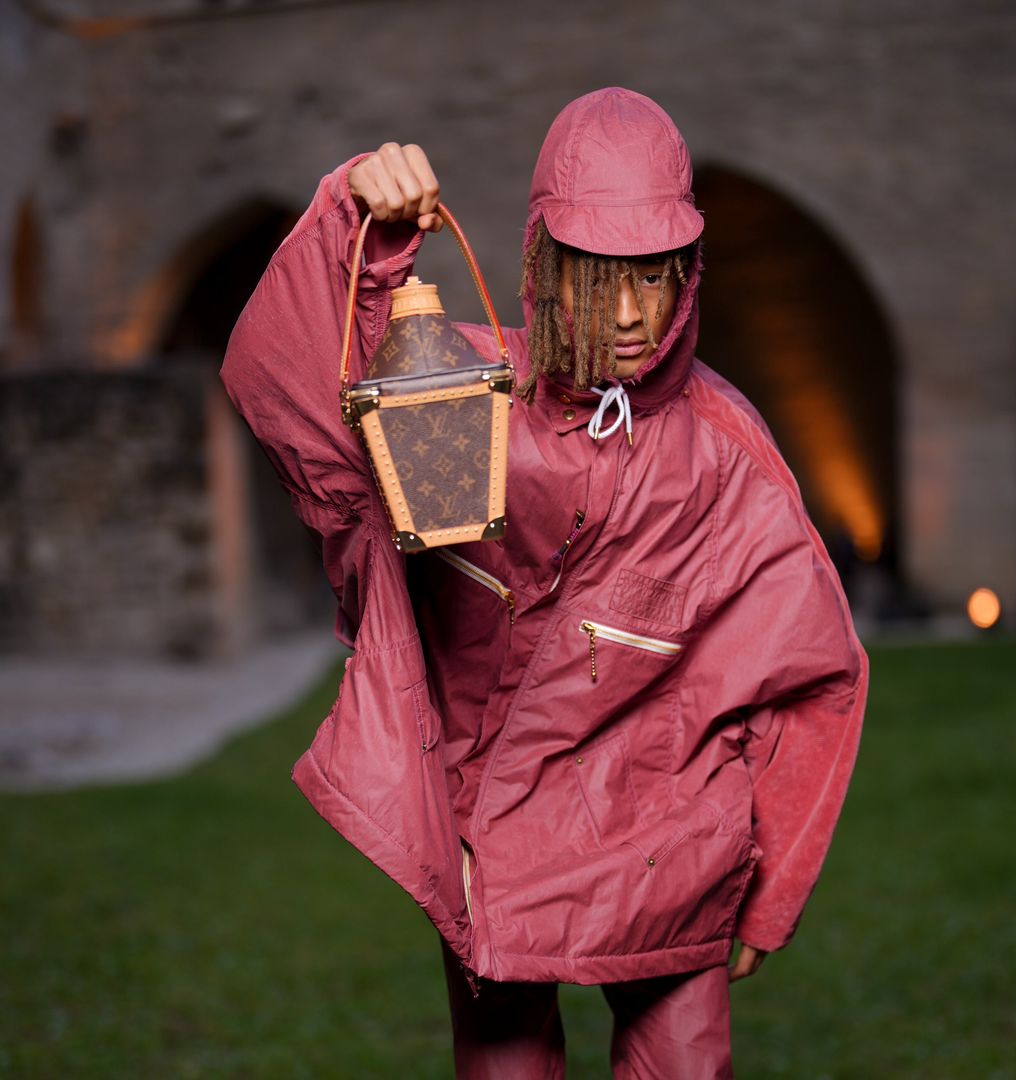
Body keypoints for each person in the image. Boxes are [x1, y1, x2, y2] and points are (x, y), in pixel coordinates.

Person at [221, 87, 868, 1079]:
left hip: (673, 841)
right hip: (499, 838)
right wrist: (362, 229)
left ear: (690, 274)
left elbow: (812, 669)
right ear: (544, 267)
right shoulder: (464, 398)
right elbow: (291, 392)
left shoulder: (726, 451)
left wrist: (774, 885)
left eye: (657, 275)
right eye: (601, 276)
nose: (633, 313)